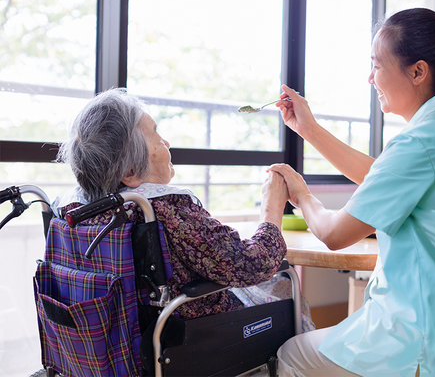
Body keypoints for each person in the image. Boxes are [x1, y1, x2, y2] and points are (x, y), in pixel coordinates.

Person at [269, 4, 435, 376]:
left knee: (290, 354)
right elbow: (383, 176)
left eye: (377, 65)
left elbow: (334, 234)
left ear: (418, 71)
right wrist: (310, 130)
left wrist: (303, 197)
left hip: (431, 346)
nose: (371, 78)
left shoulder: (421, 140)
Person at [53, 88, 315, 332]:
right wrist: (273, 203)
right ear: (130, 171)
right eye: (155, 135)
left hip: (120, 337)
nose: (166, 142)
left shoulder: (74, 211)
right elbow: (252, 265)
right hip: (202, 336)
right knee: (284, 284)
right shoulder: (164, 209)